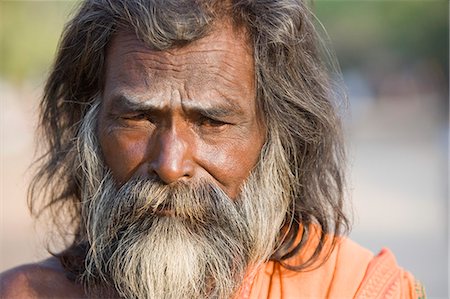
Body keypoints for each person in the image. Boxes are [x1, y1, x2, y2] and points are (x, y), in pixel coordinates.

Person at [0, 0, 425, 298]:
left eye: (212, 122)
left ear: (276, 137)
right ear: (89, 129)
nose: (170, 164)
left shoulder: (355, 290)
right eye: (139, 118)